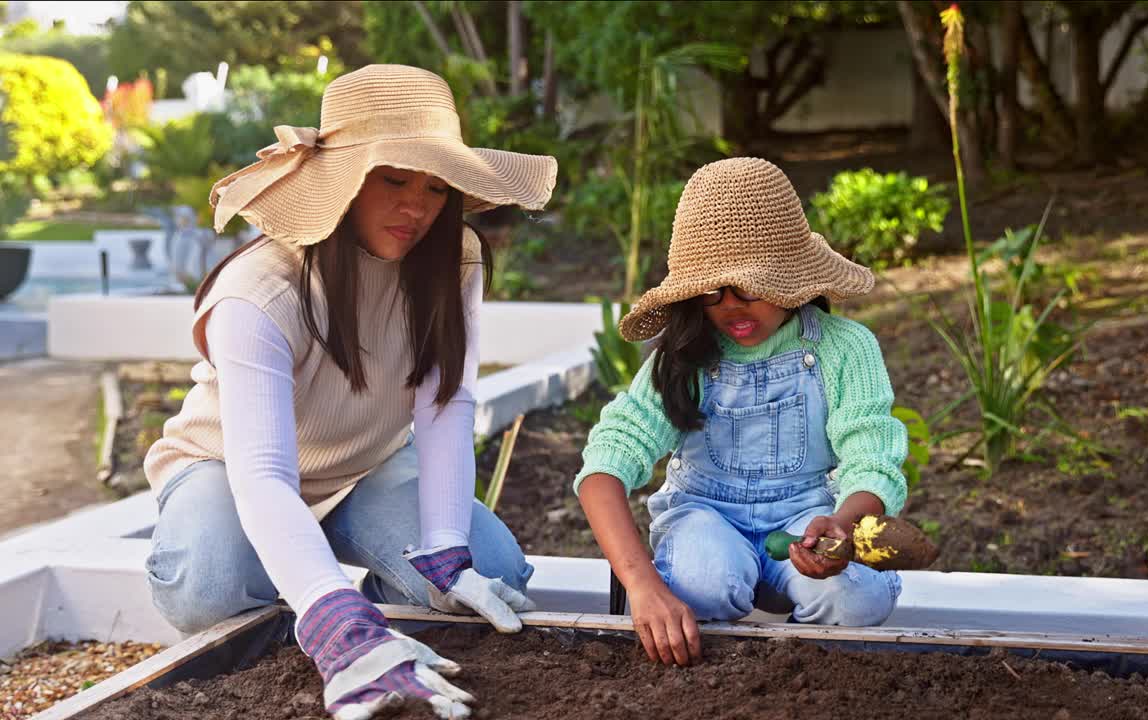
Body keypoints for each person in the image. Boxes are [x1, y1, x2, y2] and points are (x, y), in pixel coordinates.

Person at [143, 64, 557, 719]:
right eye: (393, 179)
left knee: (492, 571)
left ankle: (353, 618)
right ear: (342, 182)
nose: (417, 207)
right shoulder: (258, 294)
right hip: (229, 468)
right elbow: (264, 475)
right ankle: (336, 632)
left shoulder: (455, 262)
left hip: (365, 468)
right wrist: (339, 623)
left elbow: (446, 405)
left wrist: (447, 547)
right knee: (209, 589)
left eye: (435, 185)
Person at [576, 157, 908, 667]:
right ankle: (741, 584)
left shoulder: (845, 349)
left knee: (857, 600)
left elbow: (872, 456)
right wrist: (641, 585)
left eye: (750, 289)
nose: (731, 307)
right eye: (711, 292)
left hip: (808, 516)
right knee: (702, 584)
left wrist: (841, 525)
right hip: (705, 514)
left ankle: (791, 630)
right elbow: (604, 467)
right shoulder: (685, 357)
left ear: (793, 279)